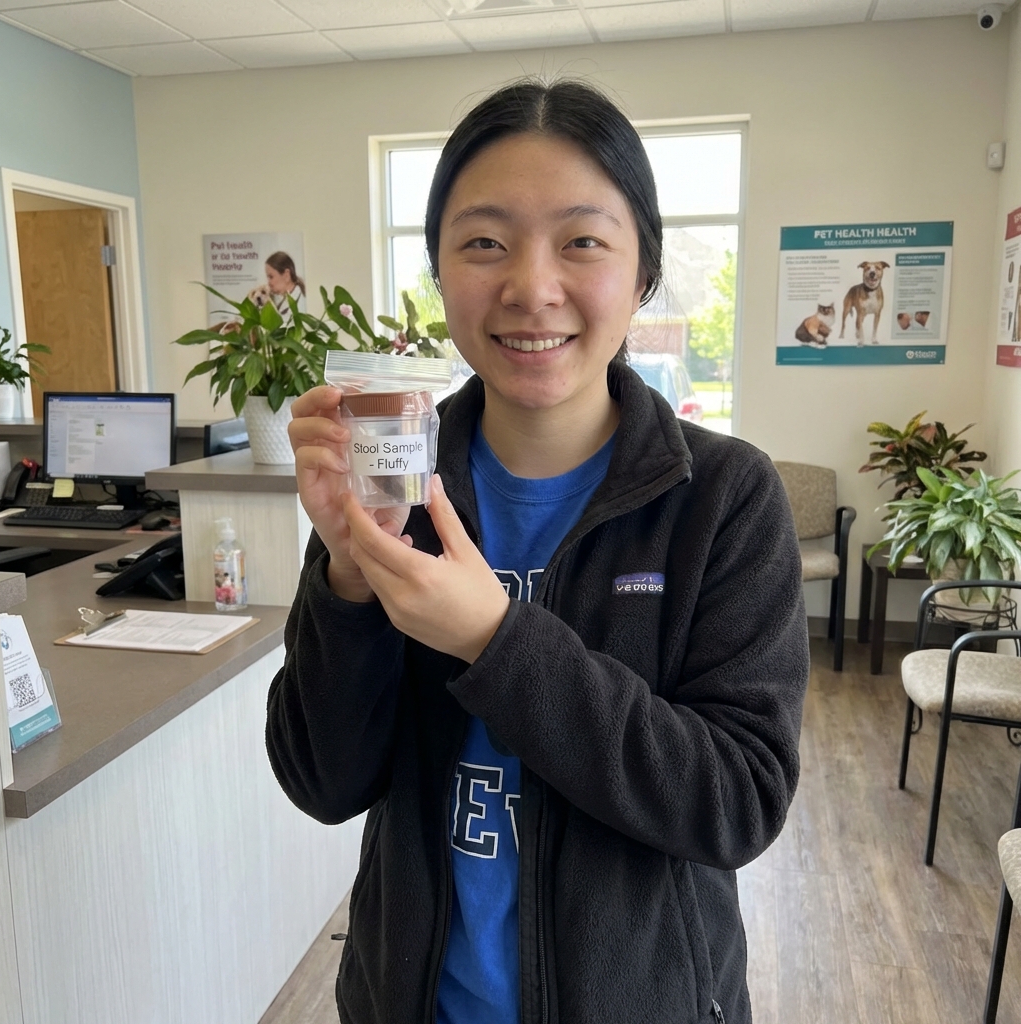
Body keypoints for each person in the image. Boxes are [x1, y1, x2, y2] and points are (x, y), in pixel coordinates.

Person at [267, 78, 809, 1024]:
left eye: (582, 241)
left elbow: (736, 801)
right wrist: (348, 574)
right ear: (439, 270)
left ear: (642, 270)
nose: (530, 287)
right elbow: (322, 782)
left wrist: (496, 639)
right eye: (483, 242)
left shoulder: (723, 499)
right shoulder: (400, 483)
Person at [264, 250, 305, 316]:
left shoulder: (302, 301)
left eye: (271, 277)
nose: (269, 283)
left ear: (286, 275)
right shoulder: (280, 298)